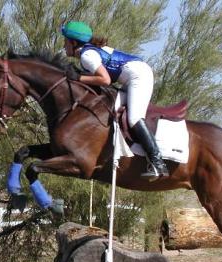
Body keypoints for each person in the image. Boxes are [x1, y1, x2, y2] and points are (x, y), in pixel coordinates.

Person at [61, 21, 169, 179]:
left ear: (73, 42)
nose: (64, 46)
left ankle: (158, 163)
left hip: (138, 77)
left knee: (133, 118)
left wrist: (78, 77)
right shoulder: (87, 52)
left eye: (65, 42)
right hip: (130, 77)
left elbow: (104, 80)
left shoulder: (86, 55)